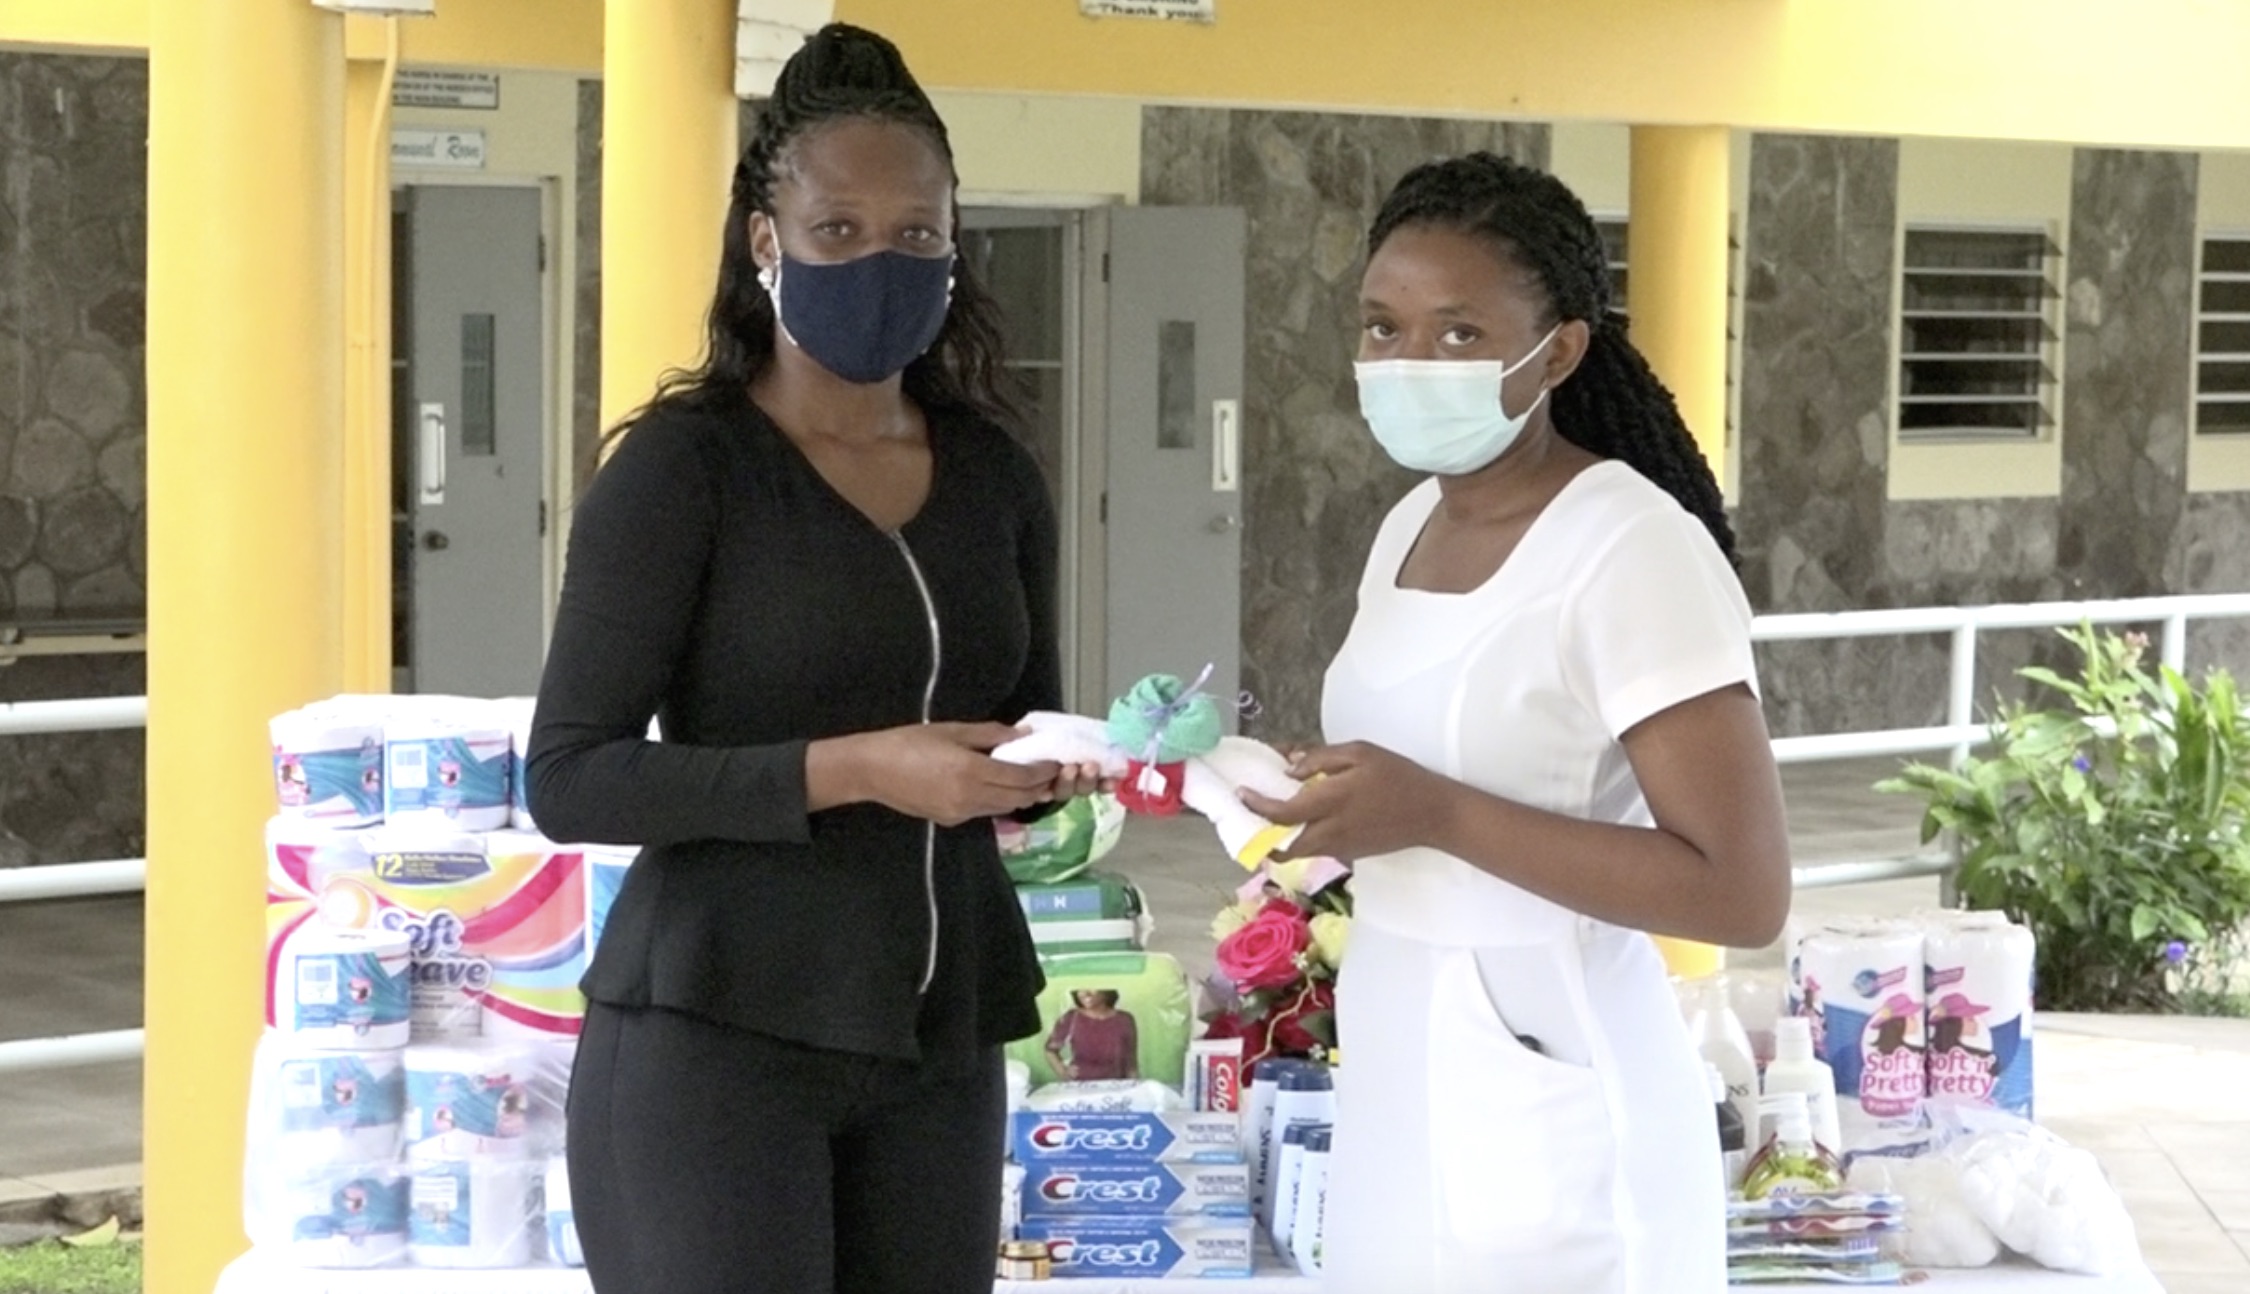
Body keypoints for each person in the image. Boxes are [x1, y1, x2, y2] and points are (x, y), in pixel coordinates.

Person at [524, 24, 1096, 1294]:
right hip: (715, 1046)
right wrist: (859, 770)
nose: (880, 260)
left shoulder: (994, 472)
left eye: (917, 234)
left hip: (938, 1046)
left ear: (955, 245)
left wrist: (1066, 764)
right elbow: (570, 776)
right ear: (766, 243)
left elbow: (1020, 716)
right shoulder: (685, 471)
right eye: (838, 230)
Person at [1239, 153, 1792, 1293]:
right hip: (1401, 1051)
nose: (1405, 364)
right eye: (1382, 329)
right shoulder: (1406, 529)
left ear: (1562, 351)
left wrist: (1432, 811)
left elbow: (1742, 891)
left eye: (1456, 334)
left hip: (1559, 1077)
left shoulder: (1631, 548)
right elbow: (1432, 750)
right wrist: (1324, 790)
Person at [1043, 988, 1140, 1081]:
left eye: (1092, 987)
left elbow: (1131, 1062)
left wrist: (1134, 1087)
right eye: (1080, 989)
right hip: (1081, 1084)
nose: (1085, 993)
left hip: (1117, 1085)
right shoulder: (1072, 1017)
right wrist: (1063, 1072)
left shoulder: (1125, 1019)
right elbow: (1050, 1050)